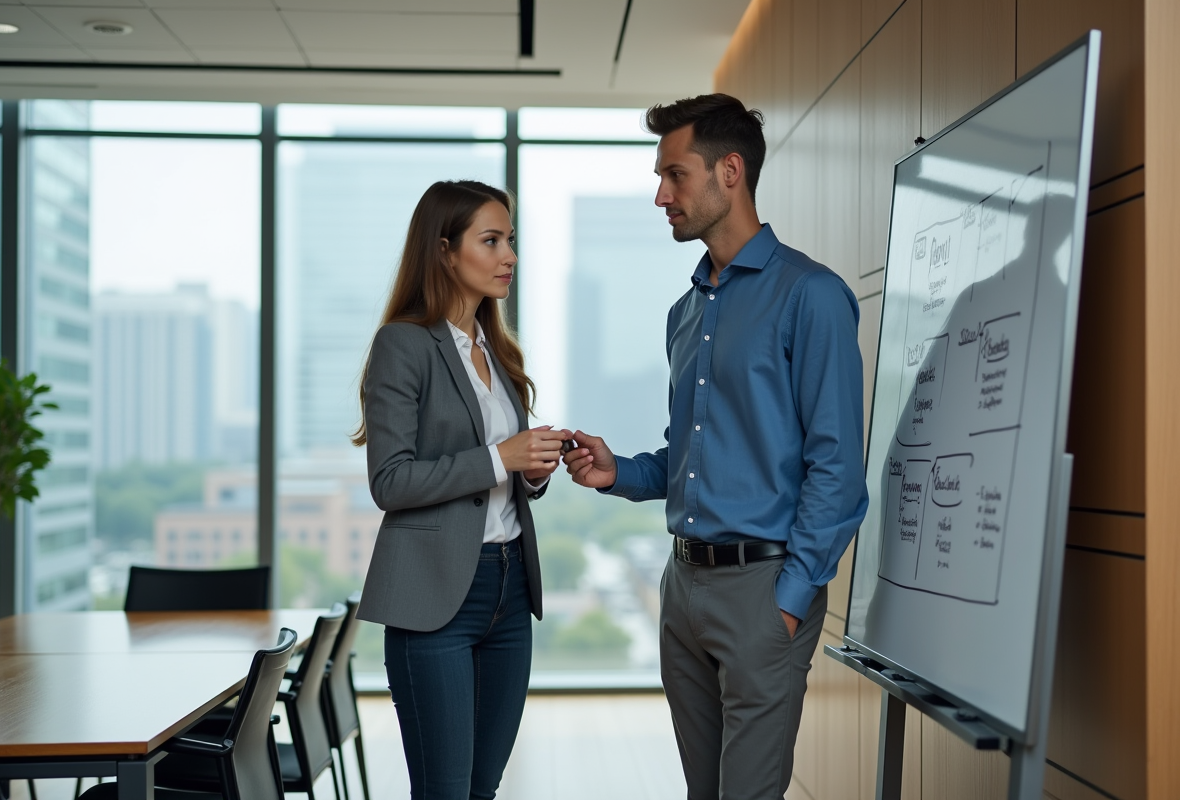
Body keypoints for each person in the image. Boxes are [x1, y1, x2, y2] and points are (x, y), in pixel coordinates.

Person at [561, 94, 869, 799]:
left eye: (675, 175)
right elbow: (692, 460)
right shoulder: (687, 310)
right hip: (683, 590)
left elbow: (838, 469)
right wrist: (621, 473)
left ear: (730, 172)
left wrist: (790, 600)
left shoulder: (811, 295)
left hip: (763, 592)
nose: (661, 195)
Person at [352, 179, 568, 800]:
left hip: (509, 588)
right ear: (445, 251)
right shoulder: (404, 344)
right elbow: (390, 481)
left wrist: (531, 470)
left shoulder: (494, 350)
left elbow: (497, 476)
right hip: (435, 597)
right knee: (444, 792)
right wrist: (501, 457)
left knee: (481, 789)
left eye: (511, 241)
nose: (510, 256)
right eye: (492, 240)